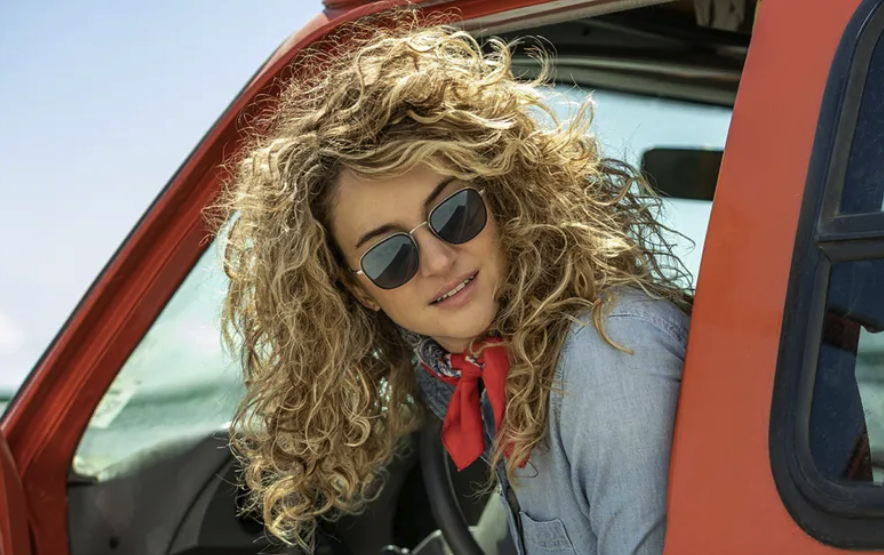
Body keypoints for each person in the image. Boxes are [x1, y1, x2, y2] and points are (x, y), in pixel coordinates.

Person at [218, 11, 692, 555]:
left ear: (501, 196)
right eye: (390, 255)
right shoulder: (483, 369)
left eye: (454, 212)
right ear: (357, 291)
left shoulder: (609, 354)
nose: (439, 260)